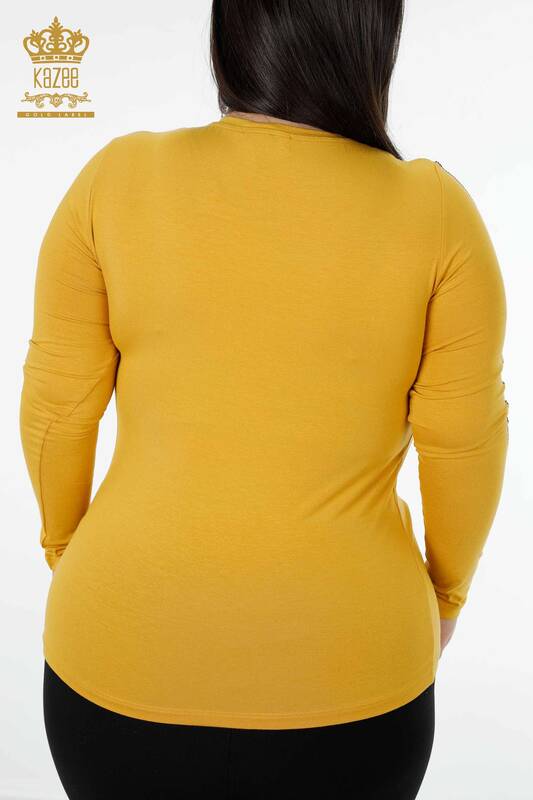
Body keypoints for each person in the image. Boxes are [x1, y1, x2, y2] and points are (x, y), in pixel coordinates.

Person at [20, 1, 509, 798]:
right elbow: (464, 442)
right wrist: (444, 597)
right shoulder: (435, 213)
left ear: (229, 34)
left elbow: (56, 407)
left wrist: (74, 561)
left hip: (114, 663)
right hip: (356, 674)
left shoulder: (118, 178)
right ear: (372, 37)